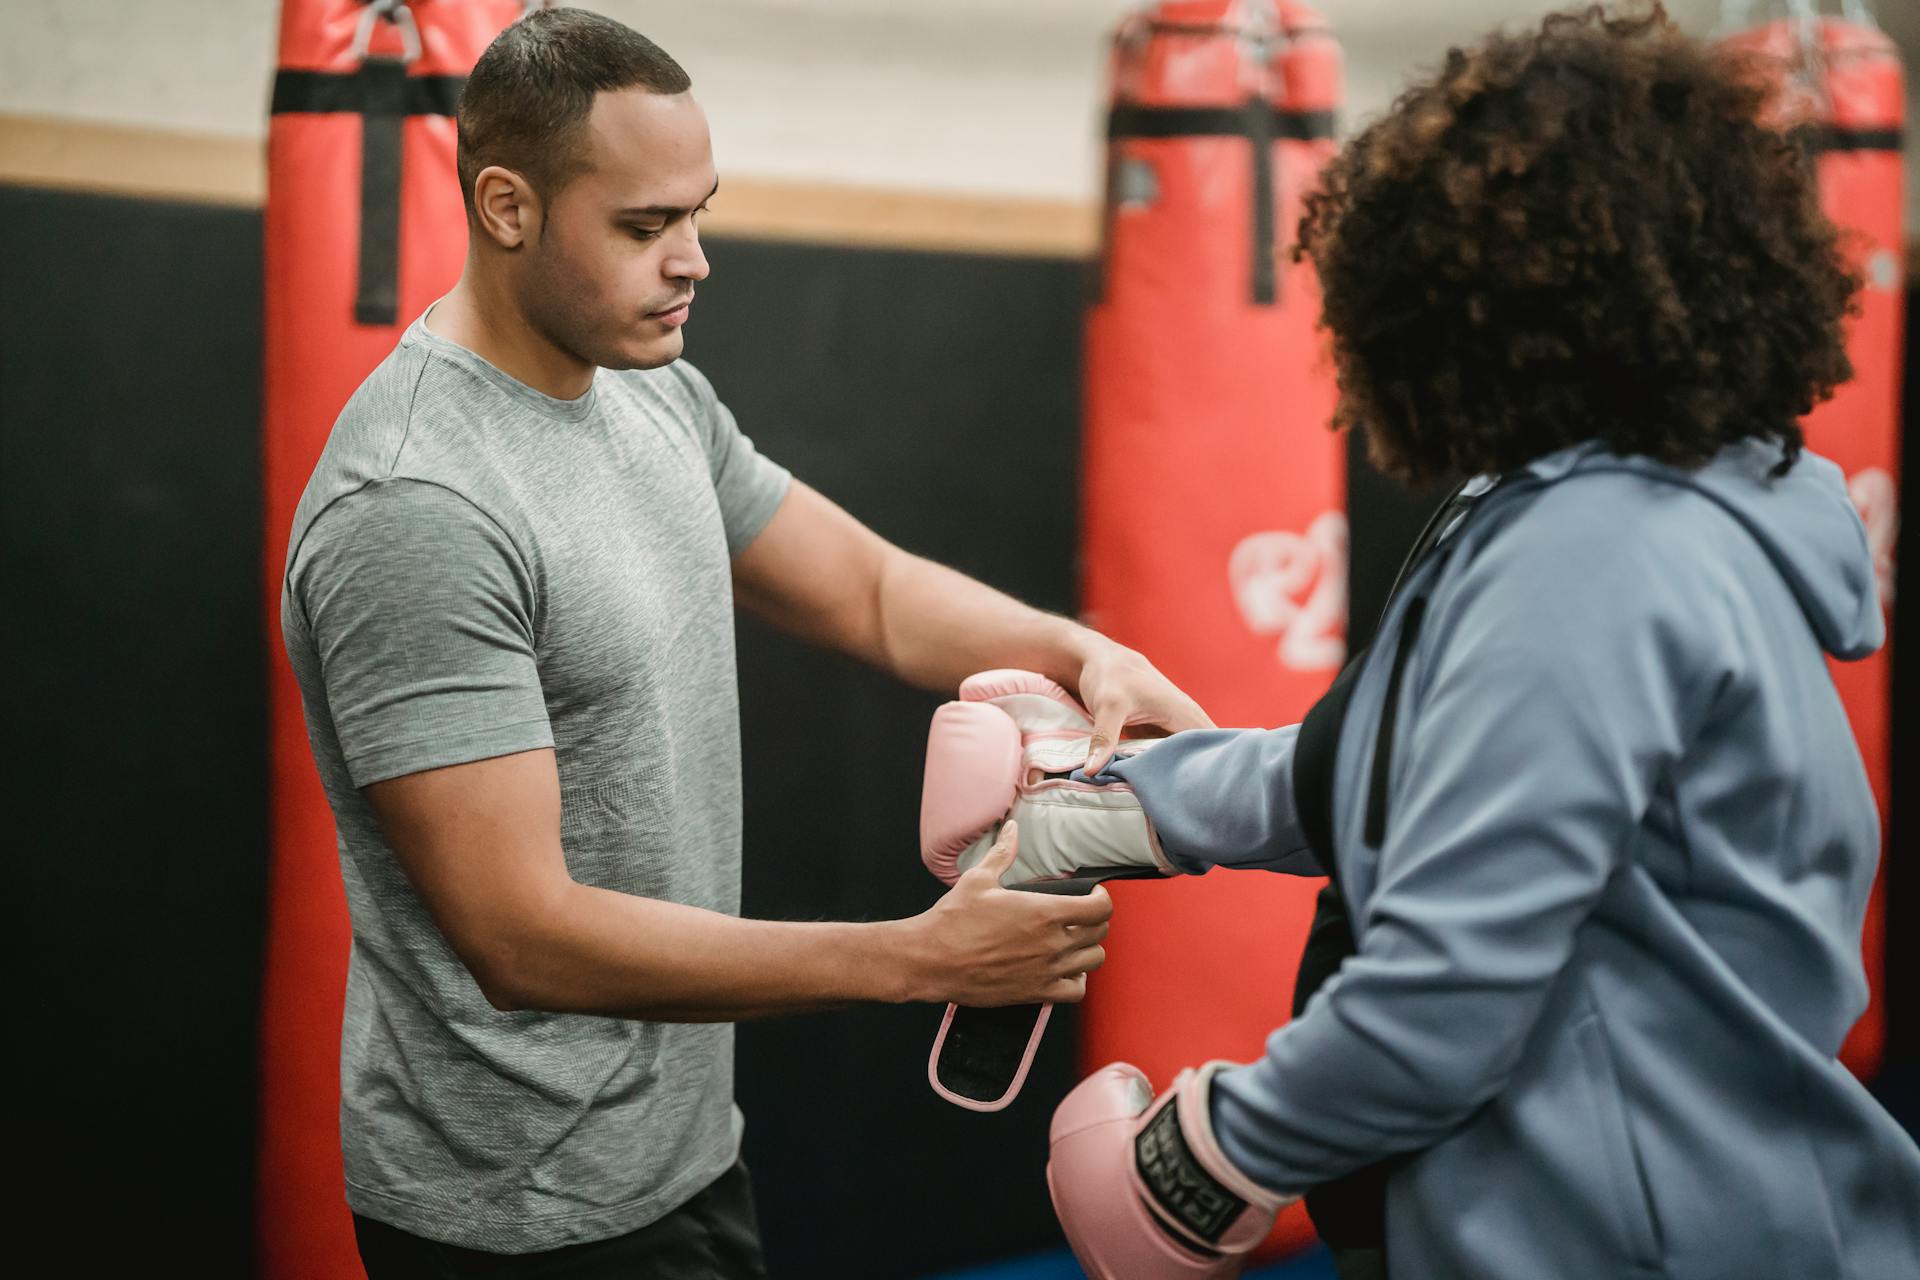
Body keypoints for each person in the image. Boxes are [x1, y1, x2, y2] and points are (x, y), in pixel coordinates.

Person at [278, 8, 1209, 1276]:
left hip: (685, 1151)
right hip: (518, 1216)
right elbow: (519, 934)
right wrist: (912, 960)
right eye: (646, 226)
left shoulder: (648, 388)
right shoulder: (417, 508)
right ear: (506, 206)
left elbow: (870, 589)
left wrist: (1077, 649)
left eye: (698, 213)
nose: (695, 261)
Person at [1031, 6, 1920, 1278]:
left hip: (1633, 1236)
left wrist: (1211, 1156)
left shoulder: (1604, 548)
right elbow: (1387, 769)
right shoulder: (1582, 501)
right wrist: (1123, 804)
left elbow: (1450, 986)